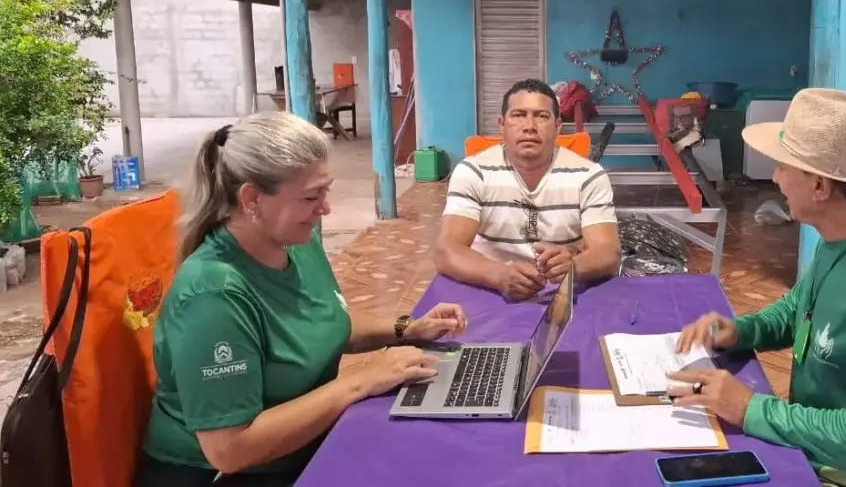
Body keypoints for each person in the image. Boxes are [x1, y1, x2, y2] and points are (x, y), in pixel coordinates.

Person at [136, 112, 469, 487]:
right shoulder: (214, 294)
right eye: (311, 197)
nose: (324, 209)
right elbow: (229, 450)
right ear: (252, 199)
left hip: (299, 449)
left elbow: (325, 322)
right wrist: (361, 382)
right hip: (225, 474)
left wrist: (407, 328)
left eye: (324, 192)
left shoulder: (295, 243)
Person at [668, 89, 846, 487]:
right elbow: (800, 308)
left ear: (819, 186)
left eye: (784, 166)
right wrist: (743, 331)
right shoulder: (843, 238)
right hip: (823, 446)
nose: (775, 177)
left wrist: (752, 409)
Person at [435, 78, 621, 300]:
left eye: (542, 116)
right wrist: (499, 275)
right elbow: (447, 250)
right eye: (518, 115)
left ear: (558, 126)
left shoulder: (589, 176)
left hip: (562, 293)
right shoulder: (474, 172)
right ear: (501, 125)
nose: (530, 126)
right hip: (487, 287)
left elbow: (609, 252)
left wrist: (574, 266)